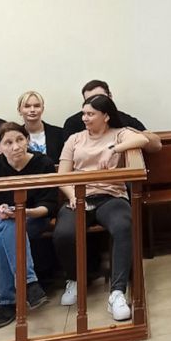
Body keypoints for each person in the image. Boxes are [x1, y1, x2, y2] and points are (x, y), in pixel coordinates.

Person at [53, 94, 149, 321]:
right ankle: (75, 280)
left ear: (105, 116)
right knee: (63, 234)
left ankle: (117, 292)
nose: (84, 118)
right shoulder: (74, 139)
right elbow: (62, 176)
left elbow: (143, 140)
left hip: (111, 196)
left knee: (123, 227)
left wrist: (115, 148)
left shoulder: (119, 133)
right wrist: (72, 196)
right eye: (84, 113)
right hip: (78, 196)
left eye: (90, 114)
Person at [0, 123, 54, 329]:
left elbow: (49, 205)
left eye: (20, 139)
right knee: (8, 225)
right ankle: (30, 284)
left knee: (6, 233)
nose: (16, 146)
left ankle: (6, 303)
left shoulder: (42, 162)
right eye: (8, 142)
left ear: (27, 140)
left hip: (32, 217)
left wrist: (25, 212)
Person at [61, 80, 161, 153]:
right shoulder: (73, 123)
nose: (95, 104)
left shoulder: (124, 120)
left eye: (100, 99)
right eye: (89, 100)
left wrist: (131, 132)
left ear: (110, 97)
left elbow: (156, 145)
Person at [17, 91, 67, 164]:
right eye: (27, 106)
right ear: (19, 110)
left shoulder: (59, 133)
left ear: (42, 109)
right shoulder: (15, 136)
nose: (32, 110)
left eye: (37, 106)